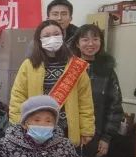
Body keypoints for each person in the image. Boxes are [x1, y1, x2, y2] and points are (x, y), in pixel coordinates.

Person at [8, 19, 95, 148]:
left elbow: (85, 102)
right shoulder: (29, 65)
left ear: (63, 36)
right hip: (37, 129)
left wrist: (87, 129)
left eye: (56, 34)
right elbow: (18, 98)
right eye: (47, 35)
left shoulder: (76, 65)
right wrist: (17, 126)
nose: (52, 38)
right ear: (39, 39)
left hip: (67, 130)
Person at [72, 24, 124, 157]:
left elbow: (115, 107)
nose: (90, 43)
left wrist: (106, 138)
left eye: (95, 39)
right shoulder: (69, 68)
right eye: (85, 39)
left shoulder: (107, 71)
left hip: (96, 135)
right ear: (77, 43)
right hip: (70, 133)